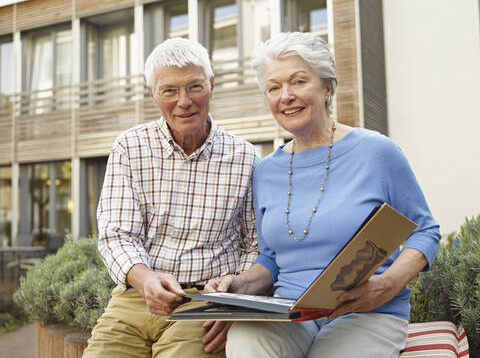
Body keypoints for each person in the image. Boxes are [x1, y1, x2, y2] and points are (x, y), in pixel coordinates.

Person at [205, 32, 441, 358]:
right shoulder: (266, 170)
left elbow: (425, 230)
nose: (285, 95)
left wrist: (388, 285)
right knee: (247, 340)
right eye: (274, 87)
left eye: (298, 81)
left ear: (327, 88)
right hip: (292, 313)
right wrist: (238, 285)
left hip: (368, 312)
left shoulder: (376, 151)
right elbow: (271, 260)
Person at [83, 38, 258, 358]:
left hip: (204, 303)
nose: (184, 101)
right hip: (136, 296)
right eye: (169, 91)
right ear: (152, 94)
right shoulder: (129, 147)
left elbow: (255, 242)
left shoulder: (245, 156)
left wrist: (236, 297)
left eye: (194, 86)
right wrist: (145, 279)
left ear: (212, 85)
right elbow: (116, 235)